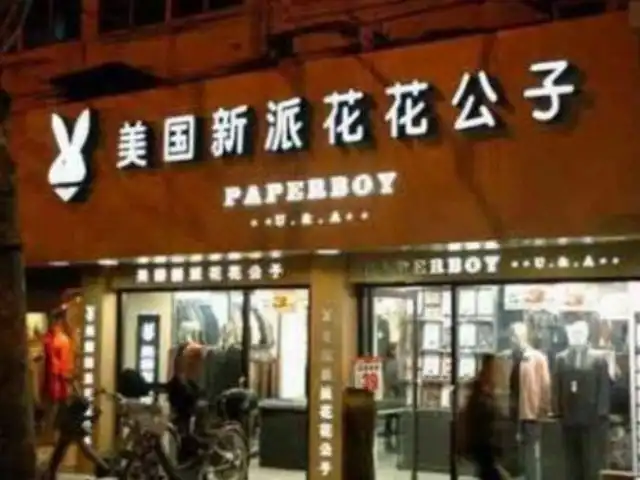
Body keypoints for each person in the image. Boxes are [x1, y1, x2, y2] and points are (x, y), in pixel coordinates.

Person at [460, 353, 507, 480]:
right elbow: (480, 418)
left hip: (486, 445)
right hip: (484, 444)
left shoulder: (484, 390)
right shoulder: (481, 393)